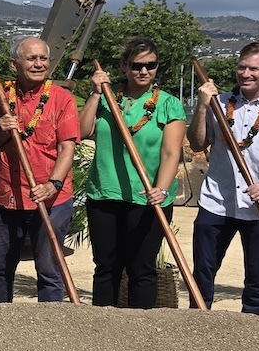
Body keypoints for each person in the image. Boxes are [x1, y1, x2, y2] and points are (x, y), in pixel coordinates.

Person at [188, 41, 259, 315]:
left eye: (254, 68)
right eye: (242, 67)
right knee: (203, 272)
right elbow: (196, 143)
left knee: (257, 277)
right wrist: (203, 106)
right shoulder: (218, 103)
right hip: (217, 202)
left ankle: (251, 332)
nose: (246, 73)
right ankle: (195, 325)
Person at [79, 38, 186, 309]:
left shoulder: (168, 103)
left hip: (148, 196)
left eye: (151, 65)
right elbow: (81, 132)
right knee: (106, 267)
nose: (144, 71)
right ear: (124, 67)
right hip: (105, 193)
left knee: (142, 268)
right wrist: (94, 93)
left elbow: (171, 153)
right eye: (137, 65)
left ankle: (141, 332)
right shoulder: (106, 95)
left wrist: (160, 189)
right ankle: (102, 328)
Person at [0, 37, 79, 303]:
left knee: (49, 271)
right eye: (31, 59)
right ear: (14, 64)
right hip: (6, 199)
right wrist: (1, 131)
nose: (38, 64)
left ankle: (49, 331)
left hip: (51, 200)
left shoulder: (62, 99)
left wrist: (53, 184)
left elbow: (67, 148)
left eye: (43, 59)